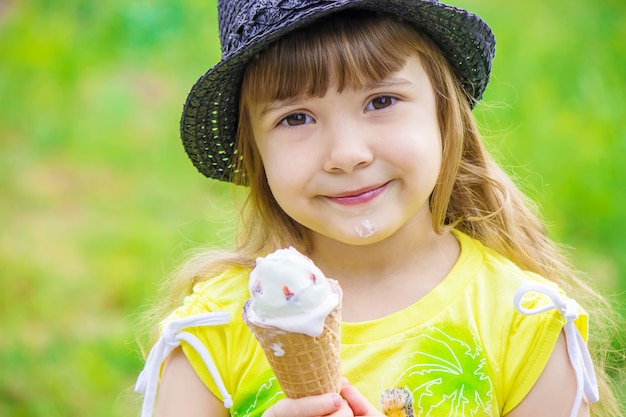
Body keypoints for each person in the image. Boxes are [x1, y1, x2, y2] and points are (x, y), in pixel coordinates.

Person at [134, 1, 623, 416]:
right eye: (296, 117)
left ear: (443, 112)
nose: (348, 154)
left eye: (381, 100)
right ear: (256, 151)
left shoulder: (524, 325)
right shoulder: (212, 332)